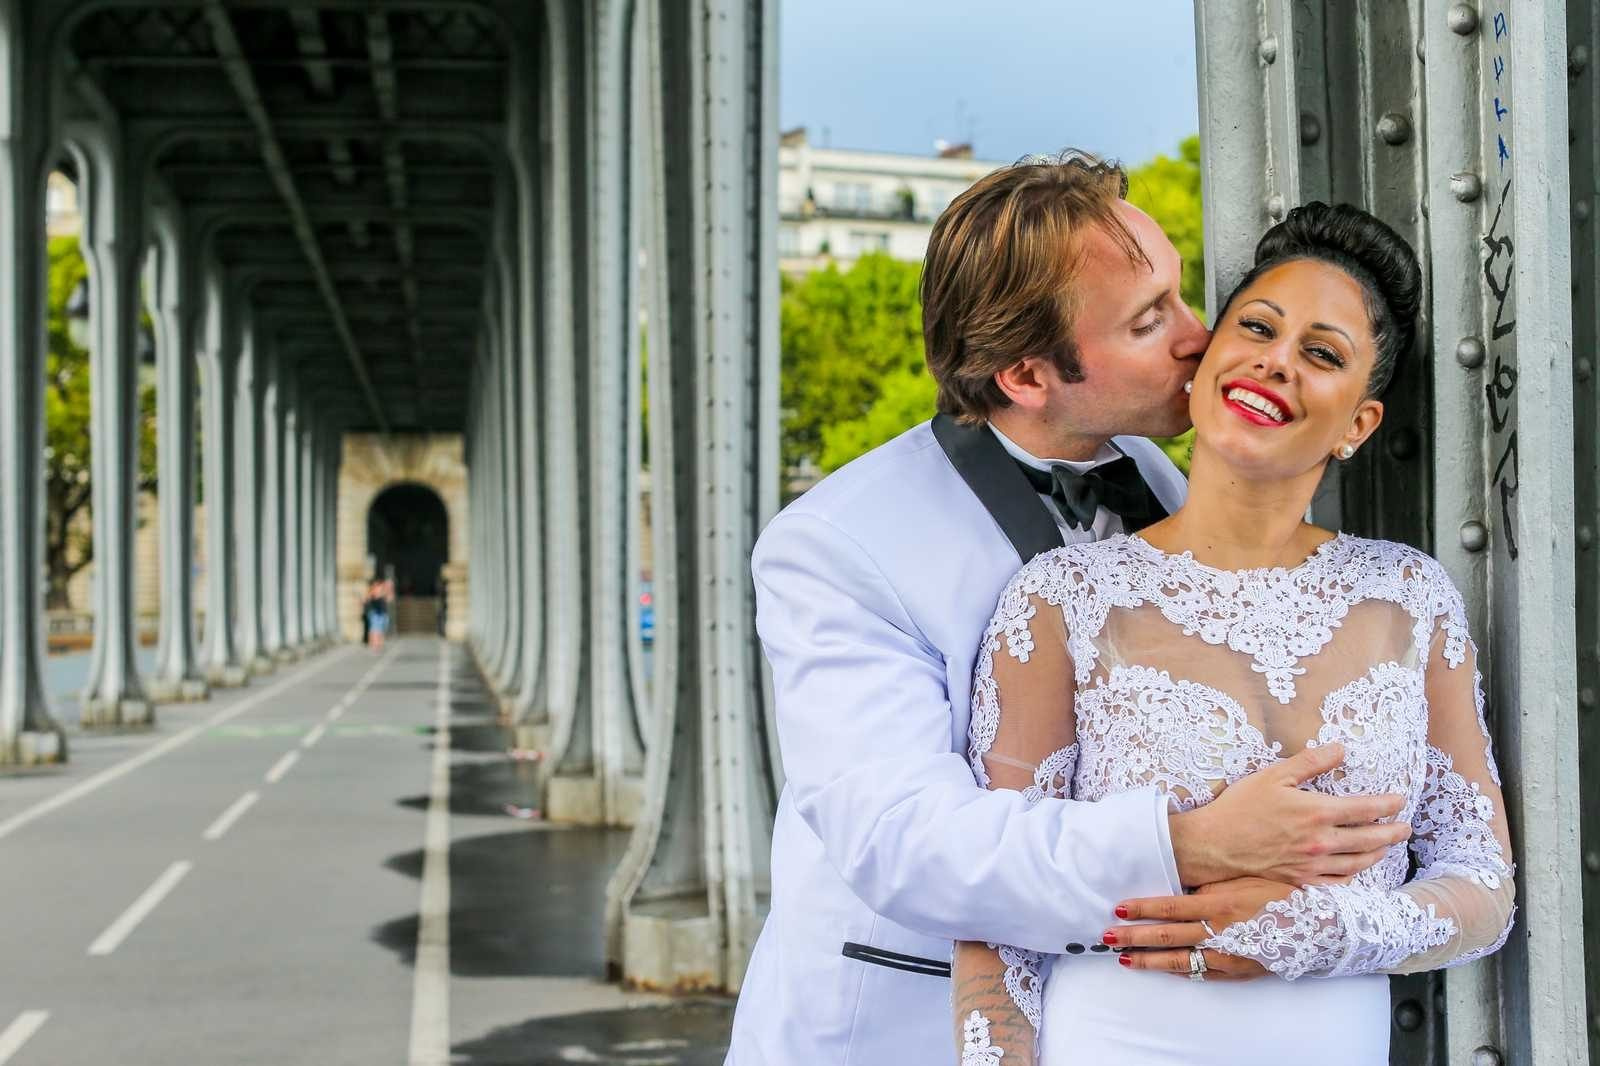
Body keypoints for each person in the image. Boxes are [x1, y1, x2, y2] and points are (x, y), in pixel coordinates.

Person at [727, 154, 1414, 1064]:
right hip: (905, 1034)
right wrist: (1190, 844)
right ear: (1026, 377)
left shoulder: (1172, 480)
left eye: (1178, 294)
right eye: (1148, 320)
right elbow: (907, 844)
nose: (1199, 336)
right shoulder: (837, 544)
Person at [953, 202, 1514, 1065]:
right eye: (1256, 326)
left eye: (1322, 354)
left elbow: (1484, 887)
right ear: (1209, 358)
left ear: (1360, 424)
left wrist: (1322, 930)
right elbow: (996, 910)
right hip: (1116, 1039)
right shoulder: (1063, 601)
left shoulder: (1410, 596)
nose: (1277, 361)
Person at [365, 576, 390, 650]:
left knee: (381, 629)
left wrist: (386, 589)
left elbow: (389, 598)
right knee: (375, 629)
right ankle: (374, 645)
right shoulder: (373, 591)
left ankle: (379, 644)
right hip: (375, 613)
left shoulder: (382, 591)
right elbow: (370, 598)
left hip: (382, 613)